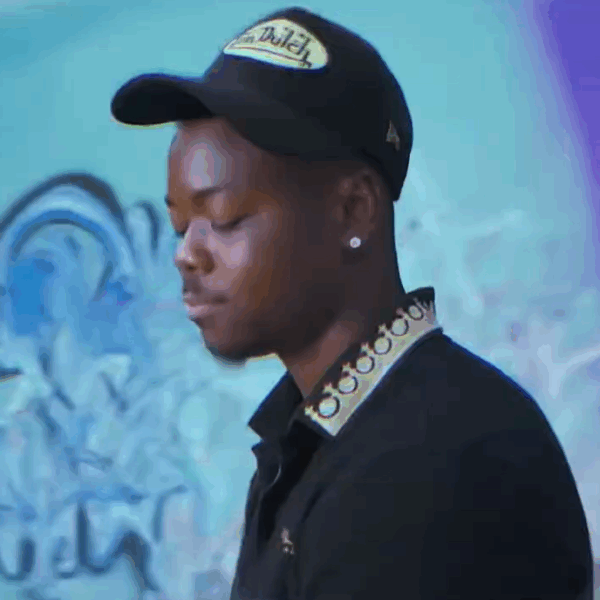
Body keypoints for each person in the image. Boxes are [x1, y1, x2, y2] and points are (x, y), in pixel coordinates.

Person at [110, 7, 594, 600]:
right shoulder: (318, 441)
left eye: (223, 216)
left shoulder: (427, 462)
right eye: (181, 224)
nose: (187, 254)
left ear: (353, 211)